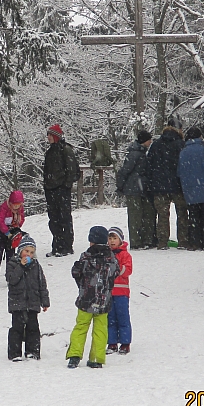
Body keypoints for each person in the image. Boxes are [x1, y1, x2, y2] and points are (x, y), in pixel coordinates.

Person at [66, 226, 119, 369]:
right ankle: (96, 358)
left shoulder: (86, 256)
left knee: (81, 326)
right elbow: (116, 272)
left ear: (92, 241)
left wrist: (82, 284)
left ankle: (74, 356)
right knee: (100, 329)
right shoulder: (111, 258)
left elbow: (77, 272)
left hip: (86, 300)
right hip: (103, 301)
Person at [6, 234, 50, 361]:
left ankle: (33, 351)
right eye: (26, 251)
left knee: (33, 328)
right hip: (17, 302)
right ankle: (15, 353)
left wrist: (45, 301)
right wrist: (20, 266)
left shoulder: (36, 266)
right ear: (20, 251)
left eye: (31, 252)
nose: (28, 254)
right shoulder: (13, 264)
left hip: (33, 302)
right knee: (17, 328)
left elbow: (42, 284)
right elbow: (12, 280)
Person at [147, 115, 188, 249]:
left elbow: (150, 164)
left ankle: (162, 242)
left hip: (159, 185)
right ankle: (183, 241)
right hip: (178, 185)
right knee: (182, 214)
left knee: (162, 215)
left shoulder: (156, 144)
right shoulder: (181, 144)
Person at [43, 124, 79, 257]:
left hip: (61, 190)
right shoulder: (50, 151)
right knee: (53, 219)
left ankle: (67, 246)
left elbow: (73, 170)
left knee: (64, 218)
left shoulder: (65, 150)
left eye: (50, 135)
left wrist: (65, 185)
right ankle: (57, 245)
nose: (48, 137)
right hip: (51, 190)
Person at [116, 130, 155, 249]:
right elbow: (125, 171)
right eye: (149, 140)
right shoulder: (136, 154)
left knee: (138, 215)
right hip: (135, 189)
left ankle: (140, 241)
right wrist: (120, 186)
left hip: (137, 188)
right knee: (136, 216)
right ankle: (137, 242)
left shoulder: (139, 153)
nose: (150, 142)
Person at [0, 190, 25, 287]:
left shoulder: (20, 209)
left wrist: (17, 227)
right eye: (15, 204)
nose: (17, 207)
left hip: (12, 234)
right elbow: (0, 220)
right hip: (1, 233)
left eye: (19, 204)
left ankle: (11, 277)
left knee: (11, 257)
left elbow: (22, 218)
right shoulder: (5, 207)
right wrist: (6, 232)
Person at [105, 227, 133, 355]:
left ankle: (125, 343)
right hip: (108, 292)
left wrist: (116, 266)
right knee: (110, 318)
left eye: (114, 238)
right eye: (110, 238)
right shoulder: (106, 254)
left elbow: (127, 271)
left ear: (120, 240)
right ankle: (112, 342)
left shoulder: (125, 255)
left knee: (123, 318)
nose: (112, 241)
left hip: (122, 293)